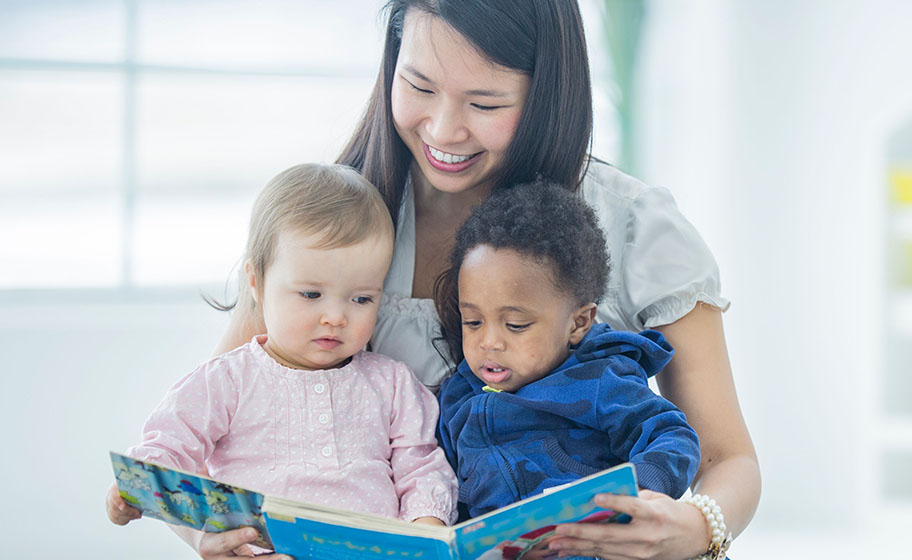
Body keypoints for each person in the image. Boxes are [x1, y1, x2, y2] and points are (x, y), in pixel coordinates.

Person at [219, 2, 761, 559]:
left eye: (484, 104)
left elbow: (727, 458)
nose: (442, 129)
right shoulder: (329, 222)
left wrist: (696, 526)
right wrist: (220, 539)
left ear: (547, 95)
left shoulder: (634, 225)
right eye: (418, 86)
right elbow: (216, 428)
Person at [105, 163, 457, 558]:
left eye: (362, 298)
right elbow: (167, 448)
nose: (336, 317)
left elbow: (421, 465)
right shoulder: (228, 380)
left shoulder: (392, 383)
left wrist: (427, 528)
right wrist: (132, 492)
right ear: (256, 283)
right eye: (311, 295)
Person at [435, 181, 701, 519]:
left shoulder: (601, 380)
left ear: (578, 323)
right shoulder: (457, 396)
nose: (489, 342)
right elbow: (439, 478)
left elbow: (673, 437)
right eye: (473, 322)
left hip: (597, 536)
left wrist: (636, 495)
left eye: (515, 325)